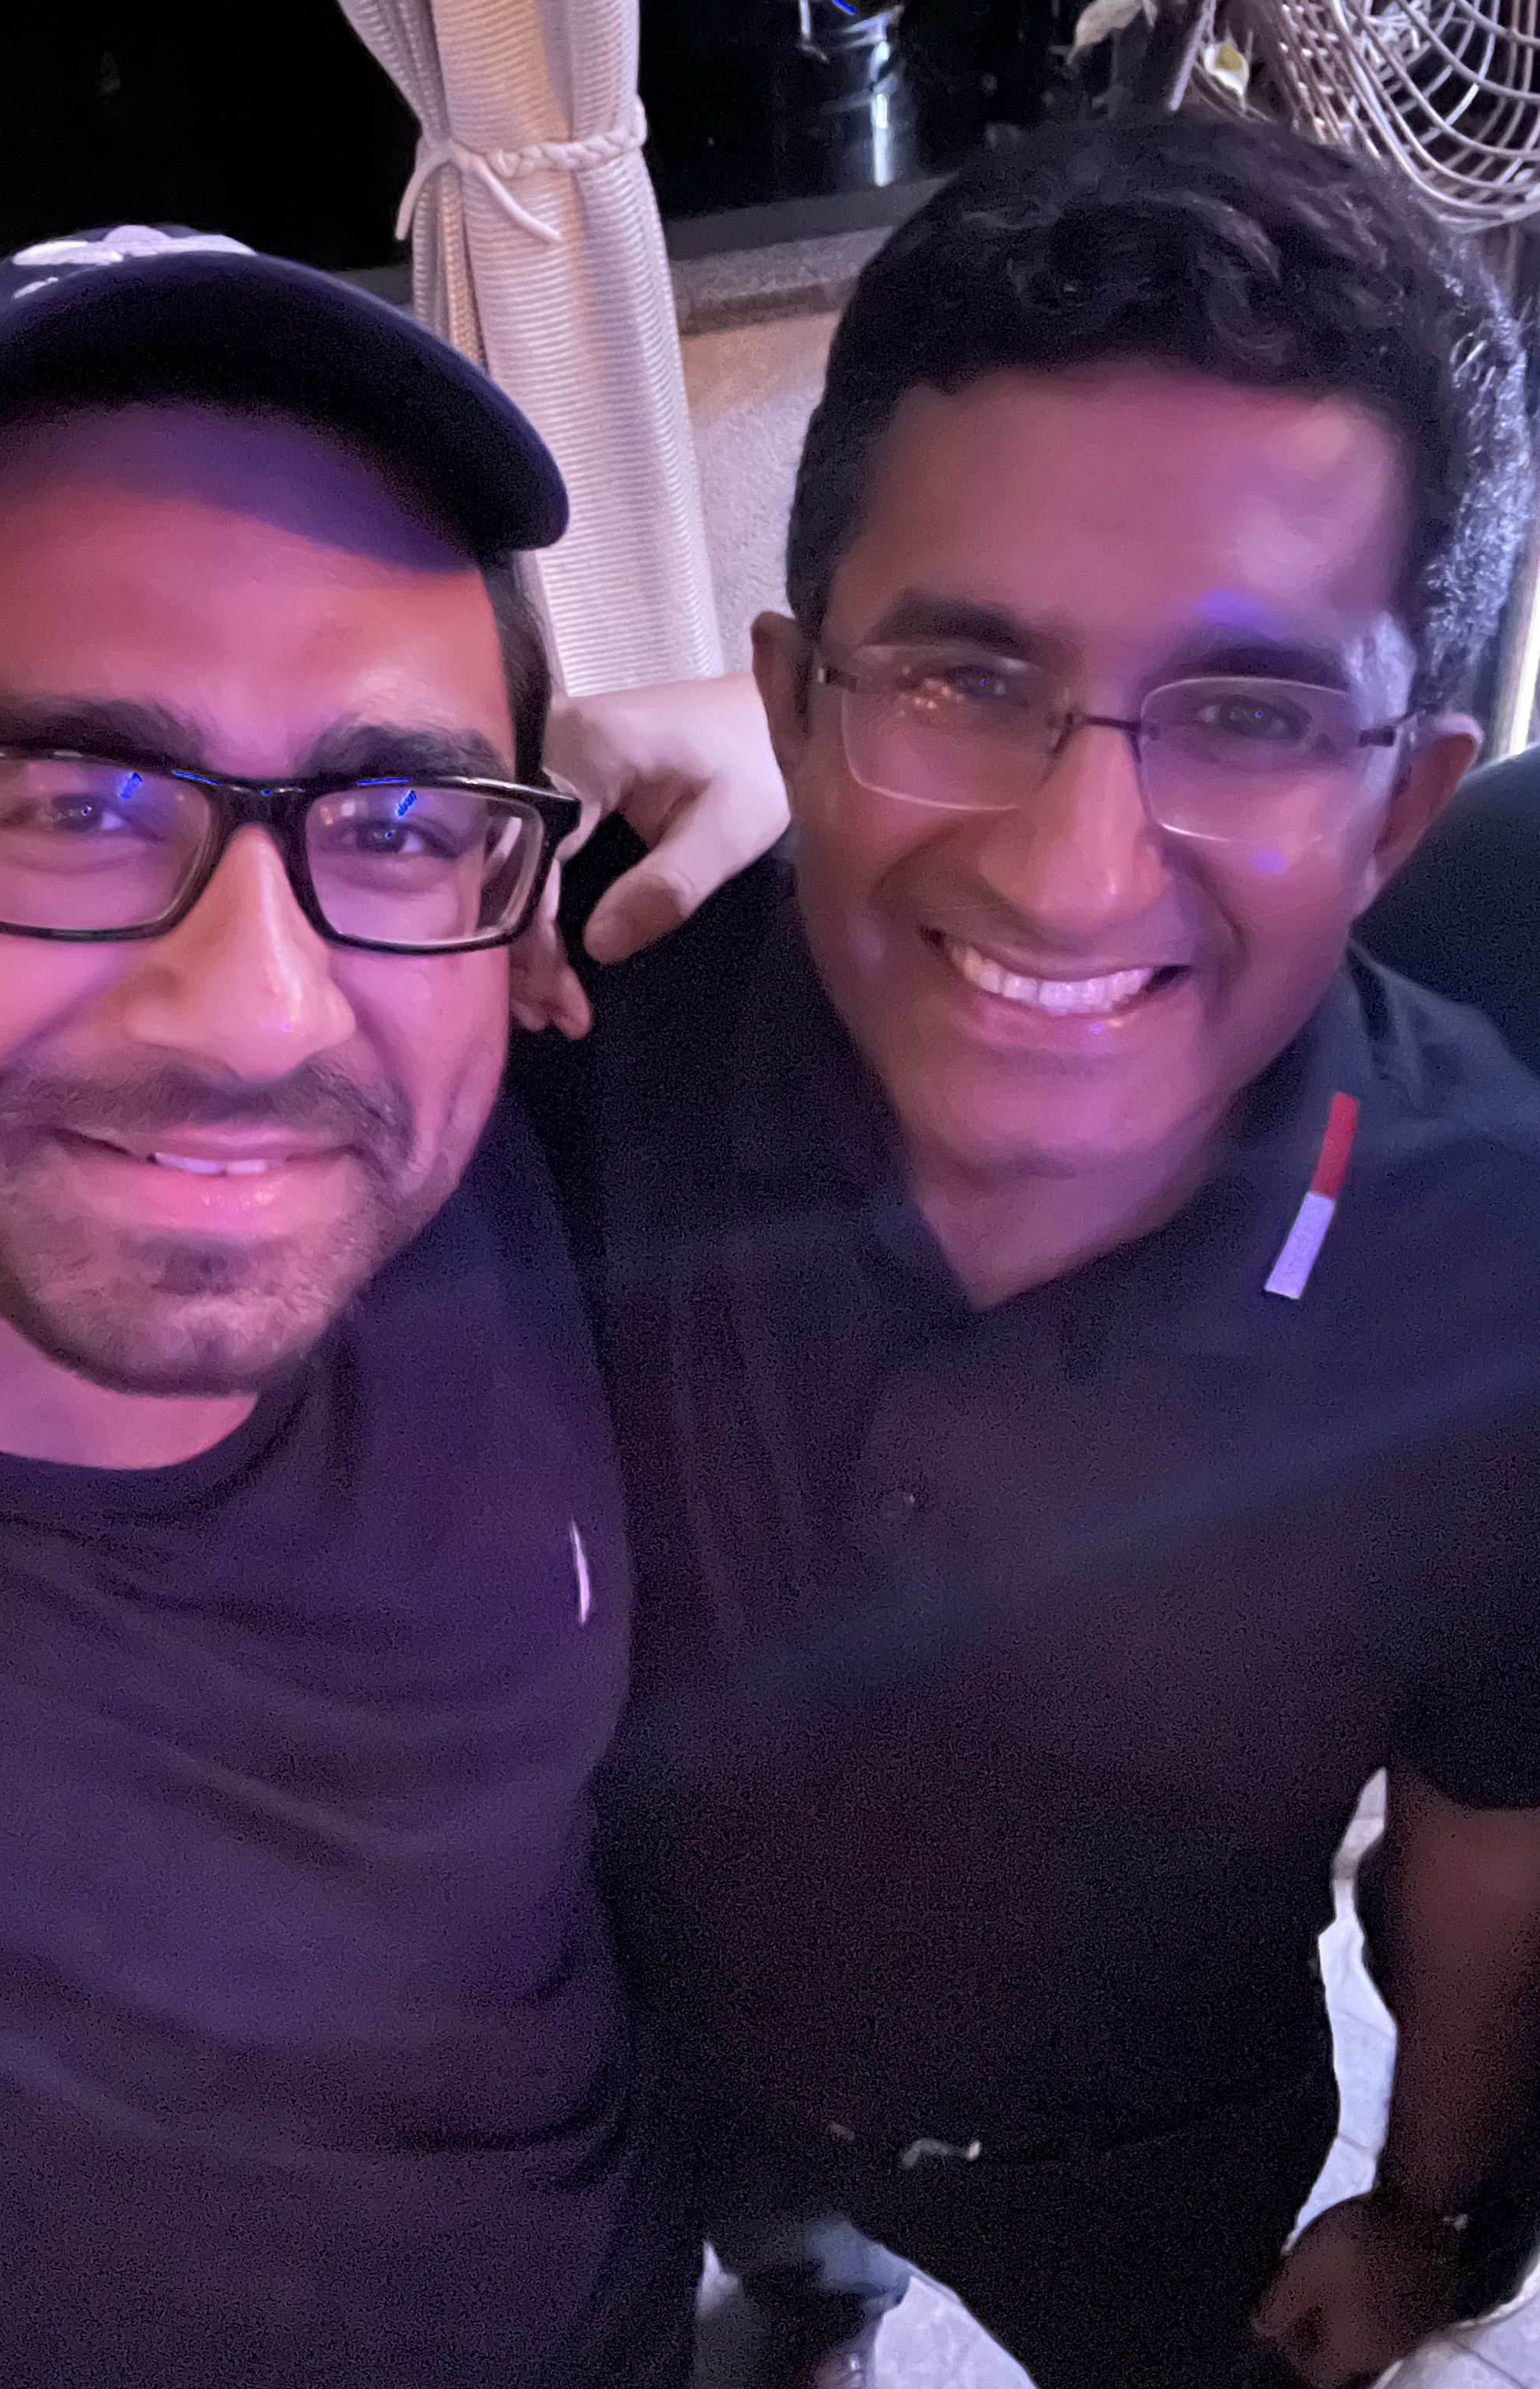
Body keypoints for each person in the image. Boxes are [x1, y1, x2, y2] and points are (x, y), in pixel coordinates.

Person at [511, 115, 1540, 2389]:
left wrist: (1426, 2201)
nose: (1075, 874)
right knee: (776, 2279)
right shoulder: (592, 1011)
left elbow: (1488, 1849)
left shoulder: (1494, 1288)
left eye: (1250, 713)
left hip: (1142, 2156)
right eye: (959, 678)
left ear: (1403, 802)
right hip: (647, 2037)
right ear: (787, 699)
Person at [0, 223, 721, 2389]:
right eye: (74, 804)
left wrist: (807, 760)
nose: (258, 1009)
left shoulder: (512, 1147)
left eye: (387, 820)